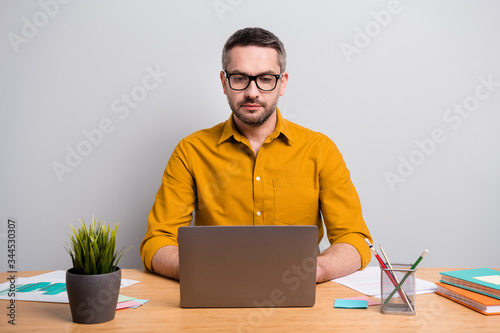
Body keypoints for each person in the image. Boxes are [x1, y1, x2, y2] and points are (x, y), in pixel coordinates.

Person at [140, 27, 372, 283]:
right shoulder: (191, 150)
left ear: (281, 83)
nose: (252, 92)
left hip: (297, 291)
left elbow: (354, 239)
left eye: (265, 78)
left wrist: (319, 270)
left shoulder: (320, 149)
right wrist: (205, 271)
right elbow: (157, 242)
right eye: (239, 78)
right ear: (224, 83)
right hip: (214, 291)